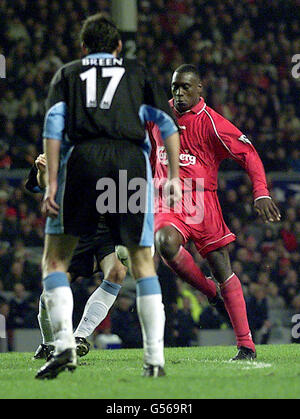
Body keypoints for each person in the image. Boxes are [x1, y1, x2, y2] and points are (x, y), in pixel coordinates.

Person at [35, 14, 181, 380]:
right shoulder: (138, 72)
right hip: (130, 162)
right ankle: (155, 359)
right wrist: (175, 177)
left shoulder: (67, 74)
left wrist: (52, 183)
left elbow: (53, 126)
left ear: (84, 48)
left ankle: (65, 344)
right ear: (118, 47)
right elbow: (167, 125)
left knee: (55, 262)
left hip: (83, 161)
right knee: (142, 264)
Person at [149, 64, 281, 360]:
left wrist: (260, 192)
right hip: (168, 202)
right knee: (165, 243)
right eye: (175, 88)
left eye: (185, 87)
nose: (179, 93)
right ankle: (209, 292)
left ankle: (246, 344)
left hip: (203, 203)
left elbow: (248, 154)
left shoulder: (213, 123)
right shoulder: (158, 116)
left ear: (200, 90)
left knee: (223, 268)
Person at [26, 155, 127, 360]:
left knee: (116, 272)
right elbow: (37, 186)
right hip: (73, 230)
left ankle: (80, 336)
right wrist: (42, 171)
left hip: (106, 228)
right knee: (52, 289)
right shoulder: (60, 147)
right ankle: (48, 342)